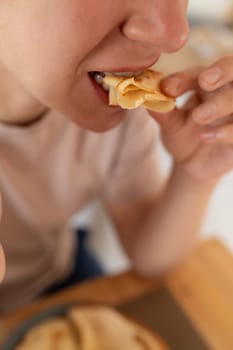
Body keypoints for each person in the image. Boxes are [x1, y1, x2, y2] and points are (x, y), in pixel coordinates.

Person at [0, 0, 232, 313]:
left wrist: (195, 176)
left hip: (56, 275)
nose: (176, 34)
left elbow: (149, 255)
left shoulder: (121, 107)